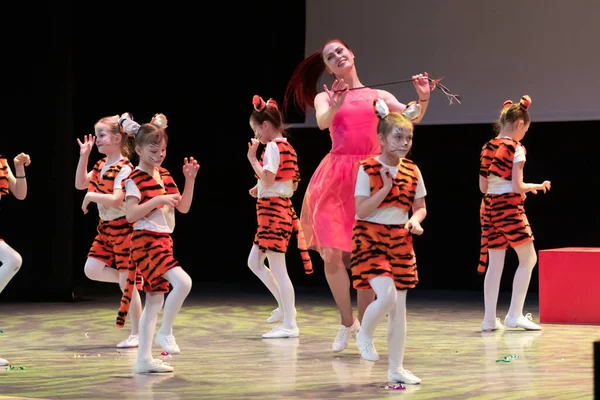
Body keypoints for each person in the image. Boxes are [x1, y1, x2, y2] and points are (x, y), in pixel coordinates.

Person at [283, 38, 431, 352]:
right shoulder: (327, 97)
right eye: (329, 56)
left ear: (352, 55)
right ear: (327, 67)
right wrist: (335, 104)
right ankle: (347, 321)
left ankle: (363, 328)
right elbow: (323, 122)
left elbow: (409, 117)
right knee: (331, 255)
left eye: (340, 51)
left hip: (370, 176)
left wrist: (423, 98)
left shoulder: (380, 95)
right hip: (336, 178)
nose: (336, 56)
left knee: (364, 255)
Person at [351, 98, 424, 384]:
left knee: (399, 308)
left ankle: (396, 367)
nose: (405, 142)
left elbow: (420, 206)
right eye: (398, 136)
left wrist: (415, 220)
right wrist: (386, 188)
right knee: (388, 295)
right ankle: (365, 333)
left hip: (400, 239)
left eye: (409, 137)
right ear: (381, 138)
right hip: (370, 236)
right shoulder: (367, 168)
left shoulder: (413, 170)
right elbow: (361, 210)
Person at [121, 114, 198, 373]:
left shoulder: (164, 175)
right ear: (139, 149)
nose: (159, 154)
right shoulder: (135, 179)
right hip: (146, 241)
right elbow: (131, 215)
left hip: (164, 240)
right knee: (183, 282)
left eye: (163, 149)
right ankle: (165, 332)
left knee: (154, 300)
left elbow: (184, 207)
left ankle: (143, 360)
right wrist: (157, 201)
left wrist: (189, 180)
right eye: (153, 149)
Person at [478, 95, 550, 332]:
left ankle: (489, 320)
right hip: (508, 208)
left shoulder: (487, 147)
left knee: (495, 263)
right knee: (528, 258)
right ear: (520, 125)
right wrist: (536, 186)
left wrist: (507, 189)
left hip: (489, 207)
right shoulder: (516, 148)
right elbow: (518, 186)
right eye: (525, 130)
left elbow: (483, 187)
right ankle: (515, 314)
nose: (524, 135)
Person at [247, 95, 313, 339]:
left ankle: (290, 323)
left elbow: (269, 178)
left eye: (256, 129)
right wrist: (260, 189)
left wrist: (253, 159)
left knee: (278, 268)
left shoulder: (273, 147)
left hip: (274, 213)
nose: (256, 135)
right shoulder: (288, 147)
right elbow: (288, 185)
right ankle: (286, 309)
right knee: (254, 262)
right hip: (274, 209)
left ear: (265, 126)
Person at [75, 114, 142, 348]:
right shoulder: (101, 165)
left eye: (101, 135)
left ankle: (137, 333)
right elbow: (80, 183)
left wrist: (91, 197)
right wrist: (84, 156)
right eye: (96, 136)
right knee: (91, 269)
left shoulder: (125, 168)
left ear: (117, 137)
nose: (98, 140)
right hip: (105, 229)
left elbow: (116, 200)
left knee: (126, 284)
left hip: (124, 230)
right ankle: (129, 282)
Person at [0, 151, 30, 366]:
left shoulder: (1, 161)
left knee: (13, 260)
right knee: (13, 259)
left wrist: (18, 167)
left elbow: (20, 193)